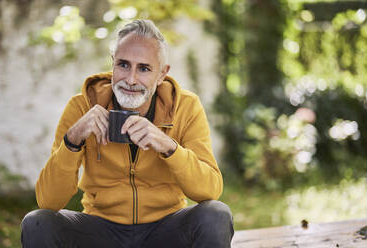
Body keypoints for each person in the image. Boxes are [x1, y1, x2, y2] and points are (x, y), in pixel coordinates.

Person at [21, 19, 234, 248]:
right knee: (37, 222)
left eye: (144, 68)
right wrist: (73, 140)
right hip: (100, 230)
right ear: (112, 63)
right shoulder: (82, 106)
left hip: (165, 230)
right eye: (123, 65)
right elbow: (48, 200)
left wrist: (169, 146)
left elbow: (210, 189)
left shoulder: (185, 107)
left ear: (162, 74)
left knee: (216, 214)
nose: (131, 79)